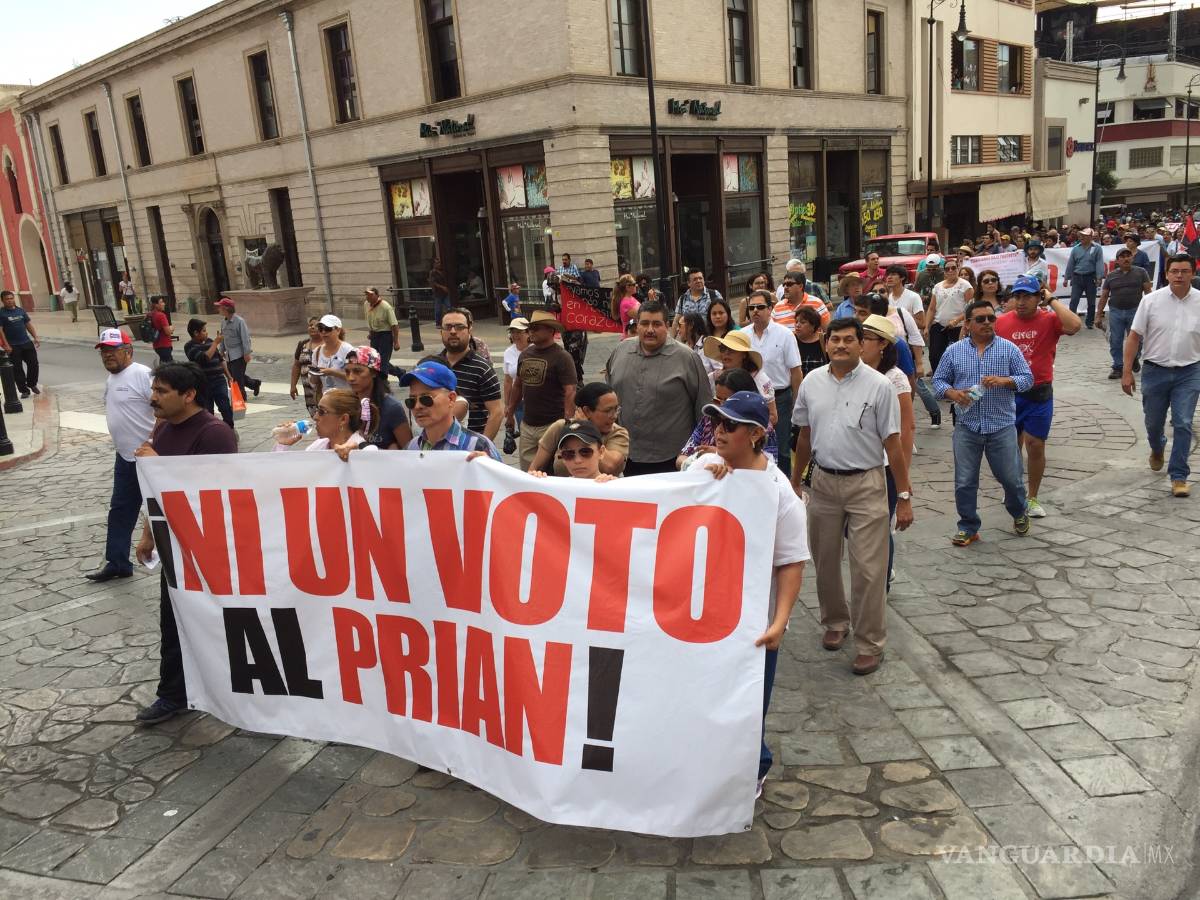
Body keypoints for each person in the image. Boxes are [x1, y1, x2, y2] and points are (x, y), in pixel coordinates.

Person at [693, 390, 808, 796]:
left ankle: (754, 766)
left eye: (729, 425)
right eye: (715, 422)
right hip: (701, 615)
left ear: (756, 434)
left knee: (748, 702)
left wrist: (779, 623)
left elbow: (791, 563)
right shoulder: (706, 466)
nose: (718, 432)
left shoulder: (781, 495)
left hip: (752, 622)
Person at [791, 316, 912, 675]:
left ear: (862, 345)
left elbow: (893, 442)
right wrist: (795, 482)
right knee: (824, 560)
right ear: (825, 343)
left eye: (848, 340)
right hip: (824, 483)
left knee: (869, 570)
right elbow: (804, 435)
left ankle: (870, 643)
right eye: (835, 340)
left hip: (867, 483)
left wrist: (904, 495)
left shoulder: (880, 386)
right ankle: (835, 622)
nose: (840, 345)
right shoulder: (812, 383)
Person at [133, 362, 239, 725]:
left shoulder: (214, 434)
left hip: (209, 551)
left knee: (222, 623)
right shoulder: (162, 431)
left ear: (189, 395)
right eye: (154, 390)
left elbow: (216, 497)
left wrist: (158, 465)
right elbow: (155, 494)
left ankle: (245, 694)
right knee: (173, 622)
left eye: (162, 391)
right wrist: (148, 534)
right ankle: (173, 694)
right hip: (174, 549)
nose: (153, 398)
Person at [933, 299, 1035, 545]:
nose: (987, 322)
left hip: (1001, 427)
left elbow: (1027, 379)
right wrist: (954, 394)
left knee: (1010, 477)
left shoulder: (1009, 349)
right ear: (967, 324)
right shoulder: (953, 351)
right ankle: (968, 526)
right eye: (980, 319)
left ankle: (1019, 511)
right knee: (965, 480)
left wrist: (1006, 381)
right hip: (967, 426)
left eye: (991, 318)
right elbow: (938, 382)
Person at [994, 275, 1081, 518]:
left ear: (1038, 298)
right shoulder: (1001, 323)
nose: (1021, 302)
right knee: (1011, 445)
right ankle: (1013, 488)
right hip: (1009, 393)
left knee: (1035, 445)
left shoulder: (1050, 320)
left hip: (1039, 392)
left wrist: (1052, 300)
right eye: (1017, 296)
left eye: (1027, 296)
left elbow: (1075, 326)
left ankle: (1032, 497)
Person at [1121, 254, 1200, 498]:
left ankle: (1179, 476)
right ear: (1166, 274)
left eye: (1184, 271)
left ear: (1192, 273)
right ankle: (1157, 447)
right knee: (1153, 423)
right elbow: (1134, 337)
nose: (1179, 275)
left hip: (1190, 371)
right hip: (1155, 371)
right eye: (1174, 271)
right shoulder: (1151, 301)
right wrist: (1126, 371)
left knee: (1184, 422)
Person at [606, 299, 713, 475]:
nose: (650, 330)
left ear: (668, 325)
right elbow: (608, 396)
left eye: (656, 324)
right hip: (628, 455)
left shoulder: (687, 358)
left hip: (672, 459)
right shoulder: (620, 351)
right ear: (637, 325)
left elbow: (703, 408)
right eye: (644, 323)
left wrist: (700, 453)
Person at [85, 328, 155, 583]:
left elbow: (164, 409)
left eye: (113, 350)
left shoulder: (142, 375)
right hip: (125, 458)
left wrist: (154, 443)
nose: (107, 356)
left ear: (128, 351)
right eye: (104, 351)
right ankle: (117, 562)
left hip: (150, 459)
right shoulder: (111, 379)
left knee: (163, 510)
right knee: (120, 510)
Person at [859, 315, 914, 587]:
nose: (859, 344)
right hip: (855, 464)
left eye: (865, 339)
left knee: (881, 528)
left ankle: (882, 583)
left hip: (884, 466)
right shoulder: (853, 371)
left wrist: (902, 475)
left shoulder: (895, 378)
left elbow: (906, 428)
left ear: (882, 344)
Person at [741, 290, 802, 477]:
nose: (755, 311)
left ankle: (782, 489)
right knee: (751, 447)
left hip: (781, 399)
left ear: (770, 309)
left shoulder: (785, 335)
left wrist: (796, 404)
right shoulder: (741, 336)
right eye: (752, 307)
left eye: (760, 307)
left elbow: (795, 372)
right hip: (749, 399)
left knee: (781, 449)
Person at [505, 309, 577, 469]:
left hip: (552, 424)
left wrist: (567, 422)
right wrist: (510, 413)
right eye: (530, 328)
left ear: (551, 330)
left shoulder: (562, 356)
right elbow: (517, 385)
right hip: (528, 424)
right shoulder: (525, 354)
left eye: (536, 328)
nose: (531, 332)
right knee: (528, 472)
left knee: (553, 470)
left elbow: (570, 391)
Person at [679, 367, 780, 467]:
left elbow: (767, 467)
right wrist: (700, 466)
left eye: (731, 424)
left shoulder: (764, 429)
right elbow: (681, 458)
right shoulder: (708, 419)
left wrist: (719, 457)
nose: (719, 429)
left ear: (755, 434)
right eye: (717, 400)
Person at [402, 361, 502, 459]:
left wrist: (488, 467)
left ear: (451, 398)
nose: (418, 406)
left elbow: (501, 475)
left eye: (426, 399)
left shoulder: (478, 446)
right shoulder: (411, 448)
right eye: (411, 401)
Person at [530, 382, 629, 476]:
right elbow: (534, 468)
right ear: (587, 411)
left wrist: (588, 429)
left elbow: (610, 466)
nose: (614, 416)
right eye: (608, 411)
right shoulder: (561, 427)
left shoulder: (618, 433)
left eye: (616, 409)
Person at [436, 307, 503, 439]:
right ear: (441, 332)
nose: (453, 331)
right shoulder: (433, 366)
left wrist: (481, 446)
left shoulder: (482, 369)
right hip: (437, 446)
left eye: (459, 327)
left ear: (469, 330)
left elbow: (497, 412)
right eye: (448, 327)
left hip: (470, 447)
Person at [343, 346, 413, 450]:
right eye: (347, 372)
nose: (351, 378)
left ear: (374, 372)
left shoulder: (392, 408)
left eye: (358, 371)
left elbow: (409, 451)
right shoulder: (346, 405)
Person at [1098, 247, 1152, 380]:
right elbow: (1104, 296)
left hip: (1136, 311)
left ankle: (1134, 358)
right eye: (1122, 256)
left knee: (1136, 339)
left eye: (1128, 256)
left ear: (1132, 258)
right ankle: (1118, 367)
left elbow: (1148, 293)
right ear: (1118, 260)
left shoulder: (1141, 272)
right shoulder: (1111, 276)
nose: (1126, 258)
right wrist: (1098, 314)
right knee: (1115, 340)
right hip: (1115, 311)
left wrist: (1151, 311)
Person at [702, 330, 777, 424]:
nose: (726, 353)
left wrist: (747, 429)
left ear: (744, 355)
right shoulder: (712, 379)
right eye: (723, 348)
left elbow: (773, 416)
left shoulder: (759, 379)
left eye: (732, 349)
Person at [275, 388, 378, 453]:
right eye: (316, 410)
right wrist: (283, 445)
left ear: (343, 419)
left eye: (321, 412)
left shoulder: (365, 450)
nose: (315, 417)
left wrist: (356, 457)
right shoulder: (318, 446)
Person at [925, 258, 973, 377]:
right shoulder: (937, 286)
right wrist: (926, 326)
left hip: (958, 327)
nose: (950, 270)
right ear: (944, 271)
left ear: (957, 269)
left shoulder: (966, 286)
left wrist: (957, 320)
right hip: (939, 325)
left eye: (953, 268)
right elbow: (931, 308)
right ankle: (939, 378)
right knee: (934, 355)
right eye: (947, 268)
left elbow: (970, 309)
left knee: (957, 355)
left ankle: (957, 379)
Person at [183, 319, 234, 428]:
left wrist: (229, 376)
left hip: (219, 380)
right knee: (207, 410)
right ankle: (210, 432)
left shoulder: (210, 341)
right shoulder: (189, 346)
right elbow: (204, 358)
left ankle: (230, 428)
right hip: (203, 383)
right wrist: (216, 343)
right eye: (204, 331)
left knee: (225, 406)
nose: (206, 333)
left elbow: (221, 360)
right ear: (196, 333)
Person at [528, 420, 616, 482]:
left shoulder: (613, 487)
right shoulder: (556, 489)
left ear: (601, 452)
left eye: (585, 452)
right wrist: (534, 483)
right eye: (568, 454)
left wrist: (614, 486)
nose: (577, 460)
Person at [215, 298, 261, 398]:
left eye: (220, 307)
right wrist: (221, 351)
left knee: (236, 379)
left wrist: (247, 353)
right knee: (236, 375)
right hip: (229, 356)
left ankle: (241, 399)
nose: (218, 309)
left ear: (225, 309)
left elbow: (245, 338)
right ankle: (254, 384)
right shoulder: (223, 322)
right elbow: (223, 338)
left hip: (239, 355)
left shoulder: (239, 321)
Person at [0, 290, 40, 397]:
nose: (10, 301)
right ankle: (24, 390)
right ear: (3, 301)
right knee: (17, 369)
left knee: (34, 364)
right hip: (13, 346)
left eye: (11, 298)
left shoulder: (21, 311)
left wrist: (35, 337)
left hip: (26, 342)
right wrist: (6, 345)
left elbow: (28, 324)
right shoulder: (1, 313)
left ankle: (32, 384)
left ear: (14, 299)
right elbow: (1, 331)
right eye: (7, 299)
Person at [1064, 228, 1105, 329]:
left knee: (1091, 302)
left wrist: (1099, 277)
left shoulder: (1097, 248)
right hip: (1077, 277)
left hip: (1090, 277)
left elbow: (1099, 263)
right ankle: (1071, 321)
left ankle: (1089, 322)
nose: (1081, 237)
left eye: (1084, 235)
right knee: (1074, 300)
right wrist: (1066, 278)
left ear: (1090, 237)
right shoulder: (1076, 248)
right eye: (1081, 235)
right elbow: (1071, 264)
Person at [364, 287, 404, 384]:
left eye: (371, 294)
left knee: (383, 361)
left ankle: (383, 382)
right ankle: (399, 372)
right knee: (375, 360)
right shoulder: (366, 304)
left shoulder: (386, 307)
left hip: (385, 335)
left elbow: (394, 325)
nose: (368, 297)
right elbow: (369, 319)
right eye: (367, 294)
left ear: (377, 295)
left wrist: (396, 342)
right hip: (374, 335)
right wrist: (370, 333)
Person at [311, 313, 354, 400]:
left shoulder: (348, 350)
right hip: (327, 400)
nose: (323, 332)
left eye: (327, 329)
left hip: (347, 398)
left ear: (338, 330)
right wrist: (315, 373)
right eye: (320, 329)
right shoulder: (317, 352)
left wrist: (333, 372)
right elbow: (313, 381)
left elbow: (355, 377)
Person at [502, 317, 529, 452]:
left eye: (519, 332)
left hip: (537, 400)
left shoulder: (535, 349)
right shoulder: (509, 352)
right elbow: (507, 381)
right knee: (525, 436)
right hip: (518, 401)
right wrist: (507, 405)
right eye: (513, 332)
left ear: (528, 333)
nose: (516, 335)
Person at [290, 317, 321, 417]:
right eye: (310, 325)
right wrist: (293, 386)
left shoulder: (327, 345)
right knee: (314, 415)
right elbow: (296, 366)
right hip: (308, 390)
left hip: (322, 389)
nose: (312, 327)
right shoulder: (302, 344)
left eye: (316, 325)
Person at [793, 306, 827, 377]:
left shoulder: (824, 340)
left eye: (803, 322)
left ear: (813, 325)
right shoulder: (791, 339)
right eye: (796, 322)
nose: (797, 325)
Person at [146, 296, 174, 364]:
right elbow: (168, 332)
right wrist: (172, 328)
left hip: (156, 345)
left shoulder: (149, 314)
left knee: (163, 364)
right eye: (161, 302)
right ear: (156, 305)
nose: (164, 304)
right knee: (169, 367)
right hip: (164, 345)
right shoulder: (161, 315)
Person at [429, 256, 451, 326]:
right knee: (438, 309)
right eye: (437, 263)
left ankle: (449, 321)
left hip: (445, 293)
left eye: (439, 263)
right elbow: (433, 283)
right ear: (433, 264)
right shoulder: (432, 272)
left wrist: (446, 288)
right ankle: (438, 323)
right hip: (438, 293)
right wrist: (442, 287)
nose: (438, 264)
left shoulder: (442, 271)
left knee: (449, 307)